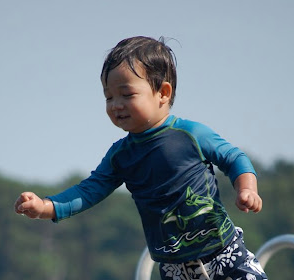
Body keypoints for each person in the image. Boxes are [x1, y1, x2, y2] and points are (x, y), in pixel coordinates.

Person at [14, 36, 268, 280]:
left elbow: (234, 158)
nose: (116, 105)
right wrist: (46, 206)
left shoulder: (191, 134)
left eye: (126, 94)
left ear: (163, 93)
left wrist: (247, 189)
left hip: (225, 256)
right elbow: (88, 191)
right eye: (109, 96)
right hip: (174, 269)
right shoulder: (120, 156)